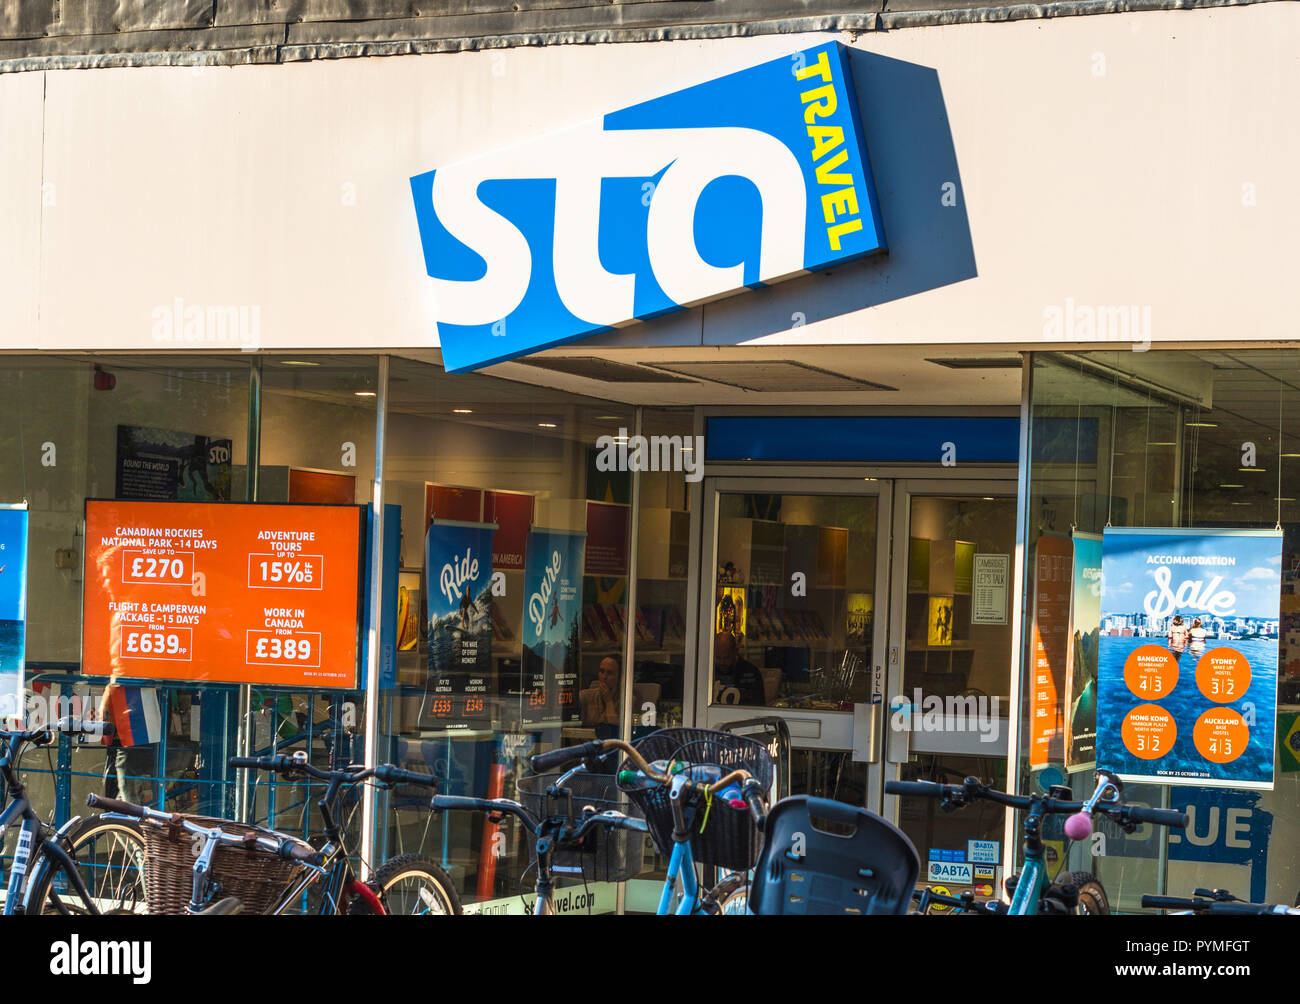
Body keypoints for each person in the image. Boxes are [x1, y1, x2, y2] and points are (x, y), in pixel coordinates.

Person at [713, 631, 765, 706]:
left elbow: (758, 707)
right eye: (717, 658)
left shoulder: (751, 672)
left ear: (735, 651)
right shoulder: (709, 671)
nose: (722, 662)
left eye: (726, 658)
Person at [580, 656, 621, 735]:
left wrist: (609, 702)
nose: (604, 677)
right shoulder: (585, 696)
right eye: (602, 671)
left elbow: (615, 731)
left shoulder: (627, 700)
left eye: (609, 673)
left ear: (619, 677)